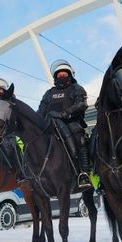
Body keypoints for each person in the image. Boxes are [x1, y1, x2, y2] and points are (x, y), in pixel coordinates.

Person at [37, 59, 91, 188]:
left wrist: (64, 113)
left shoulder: (76, 88)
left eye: (64, 74)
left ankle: (84, 172)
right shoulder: (49, 93)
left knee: (80, 139)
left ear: (70, 75)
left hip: (71, 122)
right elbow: (41, 110)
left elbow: (81, 103)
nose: (62, 76)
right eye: (59, 75)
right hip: (50, 124)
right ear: (55, 77)